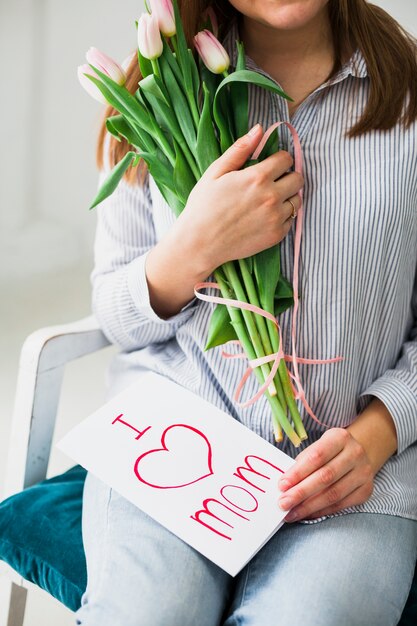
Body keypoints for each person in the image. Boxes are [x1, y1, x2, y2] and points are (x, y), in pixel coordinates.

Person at [75, 1, 417, 625]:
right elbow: (115, 316)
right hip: (175, 446)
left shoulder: (410, 97)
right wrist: (192, 249)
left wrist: (376, 436)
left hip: (353, 477)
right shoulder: (150, 91)